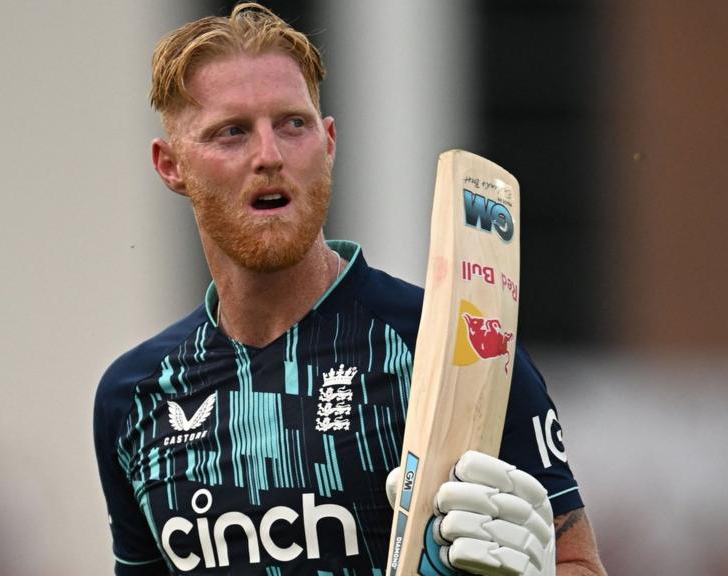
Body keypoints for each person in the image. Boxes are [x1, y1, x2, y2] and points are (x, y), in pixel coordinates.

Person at [94, 3, 606, 575]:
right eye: (231, 133)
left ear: (329, 141)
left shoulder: (451, 344)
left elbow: (576, 561)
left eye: (293, 124)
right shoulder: (134, 397)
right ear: (172, 166)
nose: (270, 156)